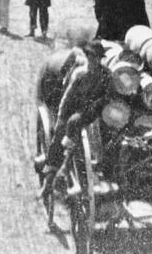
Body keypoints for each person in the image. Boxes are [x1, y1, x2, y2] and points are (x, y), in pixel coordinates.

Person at [39, 40, 111, 192]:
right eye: (91, 57)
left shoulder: (106, 74)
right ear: (88, 56)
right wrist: (60, 118)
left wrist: (98, 104)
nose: (94, 60)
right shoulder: (79, 73)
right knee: (62, 131)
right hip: (76, 109)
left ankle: (96, 165)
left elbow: (108, 94)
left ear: (100, 59)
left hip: (95, 110)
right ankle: (54, 174)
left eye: (97, 57)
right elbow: (67, 97)